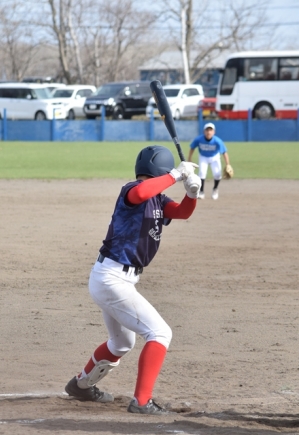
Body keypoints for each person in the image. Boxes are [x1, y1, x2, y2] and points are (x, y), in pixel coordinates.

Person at [64, 145, 201, 415]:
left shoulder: (158, 199)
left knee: (121, 343)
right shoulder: (131, 190)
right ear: (163, 170)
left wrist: (191, 193)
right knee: (160, 333)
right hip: (112, 278)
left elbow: (182, 212)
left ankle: (81, 385)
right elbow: (140, 193)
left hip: (115, 280)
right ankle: (141, 402)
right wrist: (176, 175)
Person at [188, 122, 232, 200]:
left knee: (217, 174)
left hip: (215, 157)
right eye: (207, 130)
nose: (209, 132)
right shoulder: (199, 139)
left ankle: (215, 189)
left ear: (214, 132)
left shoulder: (217, 141)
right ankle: (201, 191)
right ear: (204, 131)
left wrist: (228, 164)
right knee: (202, 173)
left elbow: (224, 152)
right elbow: (192, 148)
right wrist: (189, 159)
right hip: (203, 157)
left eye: (210, 130)